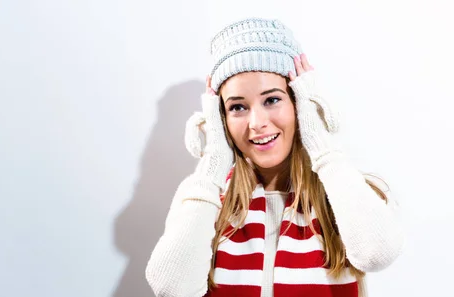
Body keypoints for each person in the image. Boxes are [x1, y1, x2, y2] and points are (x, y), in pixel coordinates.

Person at [144, 17, 404, 297]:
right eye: (238, 107)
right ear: (221, 119)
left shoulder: (341, 190)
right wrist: (213, 165)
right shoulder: (205, 198)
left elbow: (378, 254)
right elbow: (171, 288)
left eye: (272, 100)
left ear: (298, 102)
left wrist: (321, 145)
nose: (256, 122)